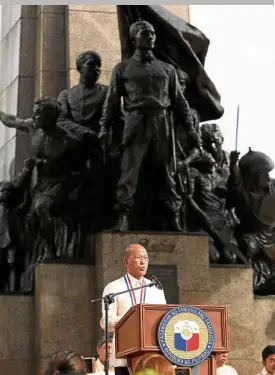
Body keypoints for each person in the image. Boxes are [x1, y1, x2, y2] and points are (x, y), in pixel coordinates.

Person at [98, 20, 201, 232]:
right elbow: (112, 101)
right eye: (146, 33)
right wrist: (104, 127)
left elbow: (180, 101)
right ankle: (123, 217)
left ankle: (174, 218)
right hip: (136, 121)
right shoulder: (123, 68)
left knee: (167, 172)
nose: (152, 36)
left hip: (162, 122)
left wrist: (190, 128)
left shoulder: (167, 69)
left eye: (153, 33)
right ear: (134, 38)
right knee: (130, 171)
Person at [100, 244, 166, 375]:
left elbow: (164, 318)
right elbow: (106, 322)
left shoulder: (155, 288)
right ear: (126, 261)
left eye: (146, 258)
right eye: (138, 257)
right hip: (125, 355)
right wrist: (132, 320)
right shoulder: (113, 287)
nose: (143, 262)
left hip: (151, 354)